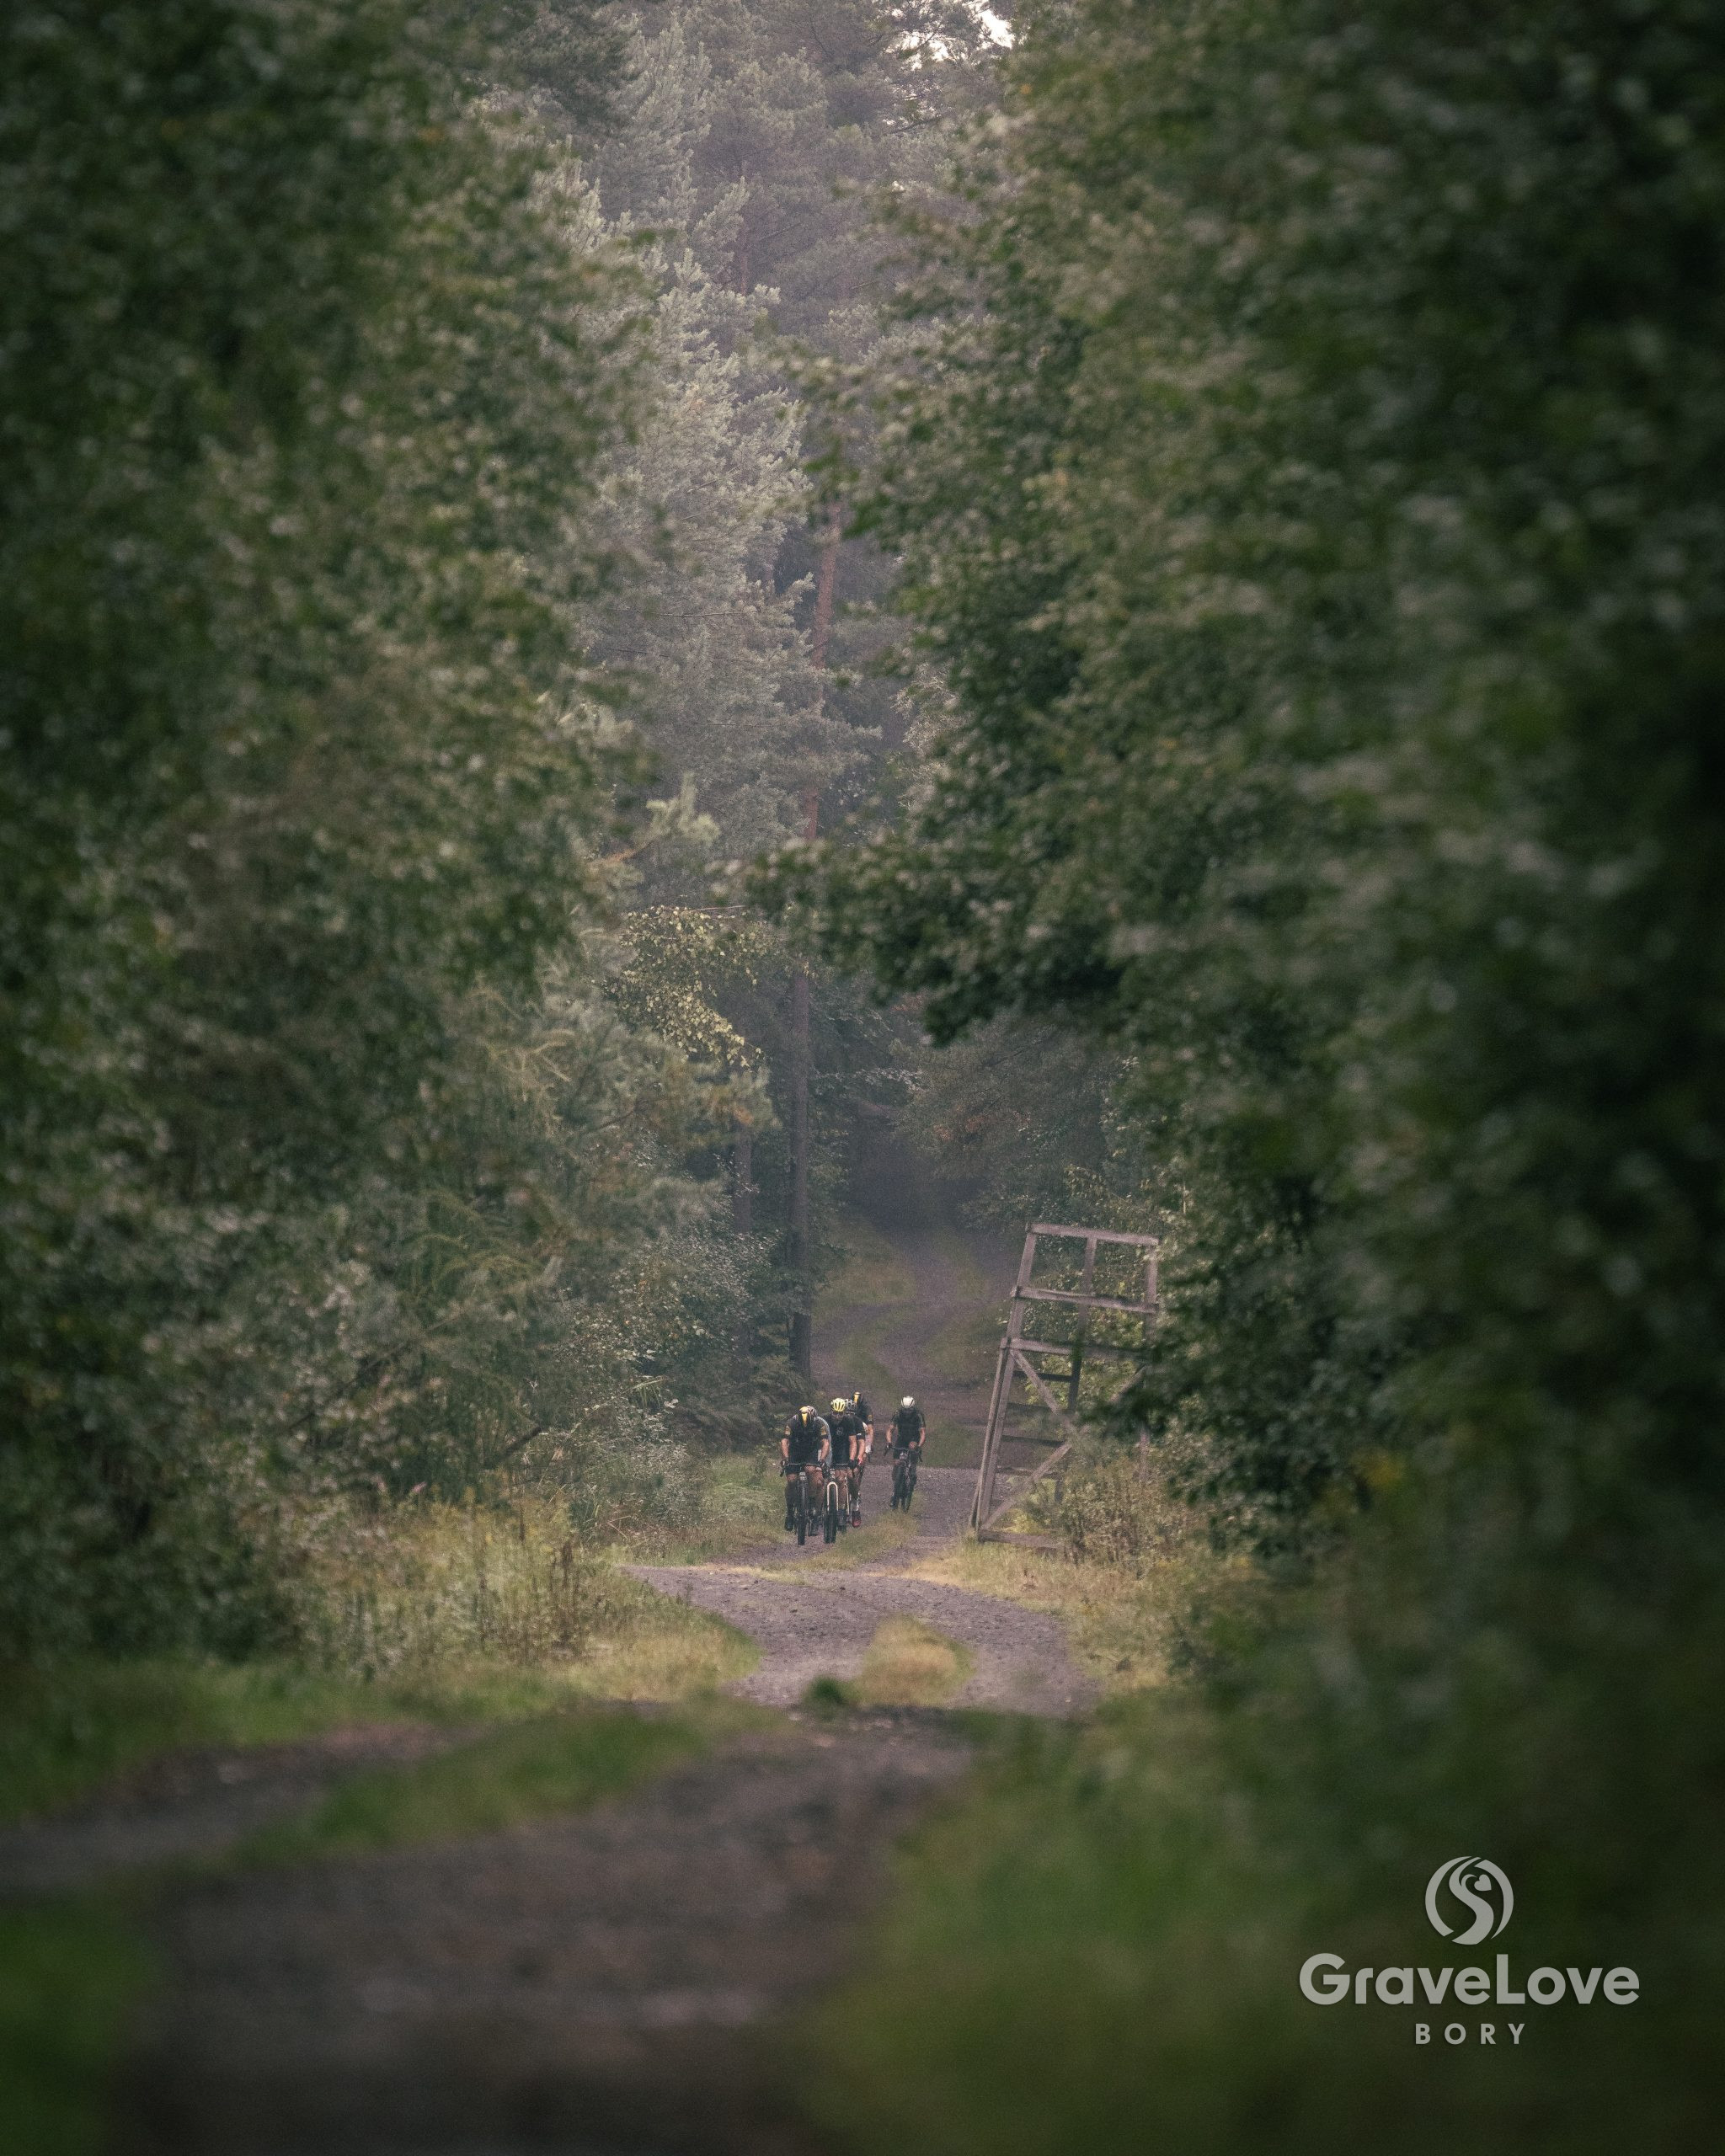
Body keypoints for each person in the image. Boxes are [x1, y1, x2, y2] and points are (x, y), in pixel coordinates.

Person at [782, 1404, 830, 1530]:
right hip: (794, 1452)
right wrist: (785, 1458)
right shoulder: (791, 1423)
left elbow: (825, 1443)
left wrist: (822, 1459)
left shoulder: (819, 1424)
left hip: (810, 1452)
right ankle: (790, 1512)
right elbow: (784, 1441)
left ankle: (812, 1502)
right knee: (792, 1481)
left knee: (810, 1470)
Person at [829, 1396, 868, 1527]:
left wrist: (859, 1457)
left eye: (850, 1413)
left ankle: (855, 1507)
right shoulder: (829, 1420)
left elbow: (860, 1443)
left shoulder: (857, 1422)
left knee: (851, 1476)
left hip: (849, 1451)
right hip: (835, 1449)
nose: (847, 1415)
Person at [888, 1394, 925, 1510]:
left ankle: (912, 1475)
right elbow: (890, 1429)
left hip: (914, 1439)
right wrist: (889, 1442)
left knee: (912, 1451)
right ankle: (895, 1491)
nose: (907, 1413)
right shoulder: (898, 1413)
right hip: (902, 1439)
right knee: (896, 1464)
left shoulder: (918, 1415)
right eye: (905, 1410)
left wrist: (919, 1446)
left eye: (909, 1410)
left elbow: (922, 1433)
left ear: (913, 1408)